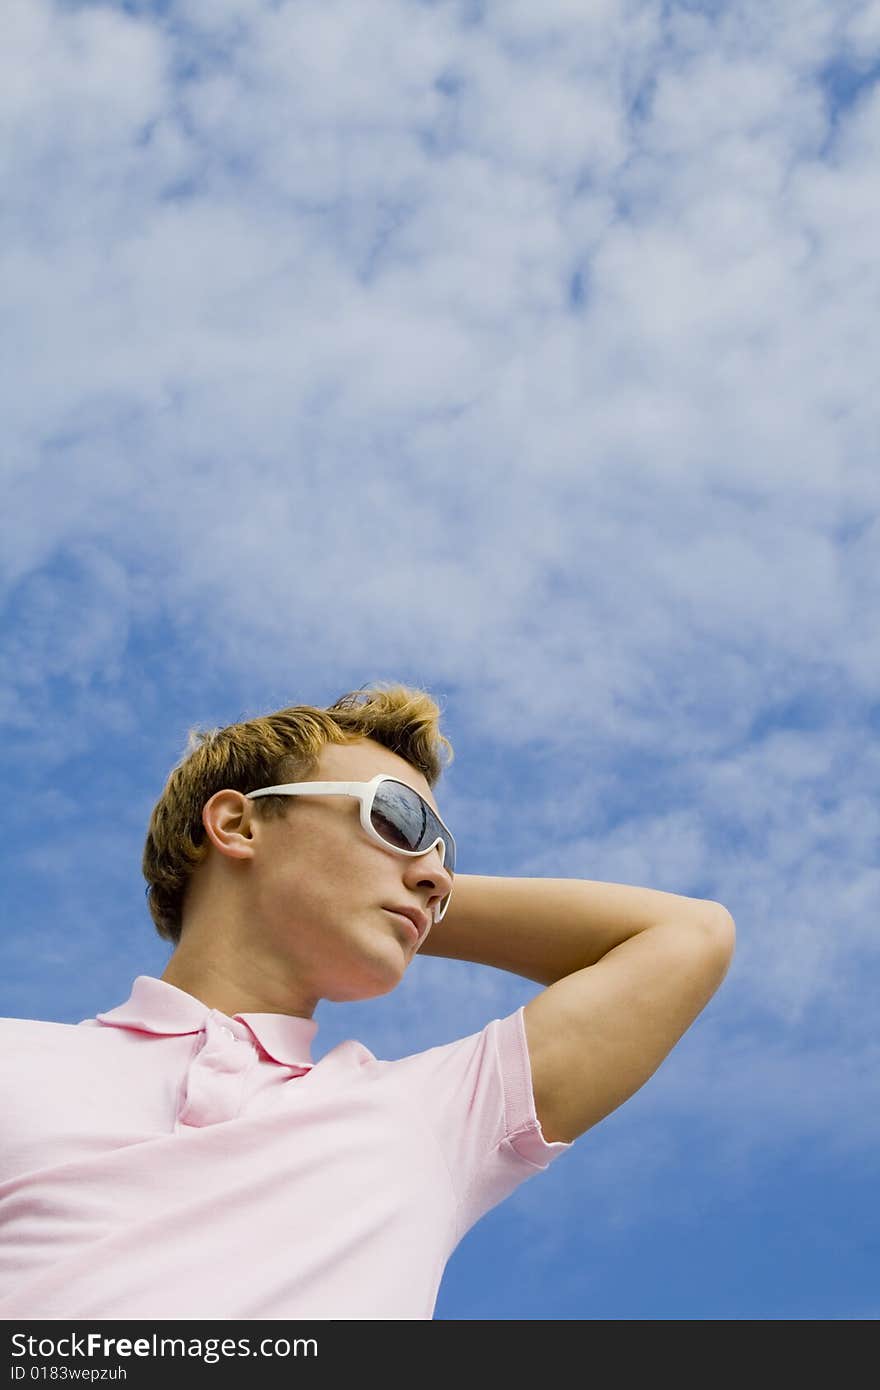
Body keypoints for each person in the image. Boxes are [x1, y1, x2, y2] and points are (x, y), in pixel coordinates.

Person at [0, 682, 735, 1321]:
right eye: (398, 821)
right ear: (236, 823)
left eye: (444, 857)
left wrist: (390, 893)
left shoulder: (432, 1120)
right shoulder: (17, 1061)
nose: (436, 877)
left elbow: (685, 936)